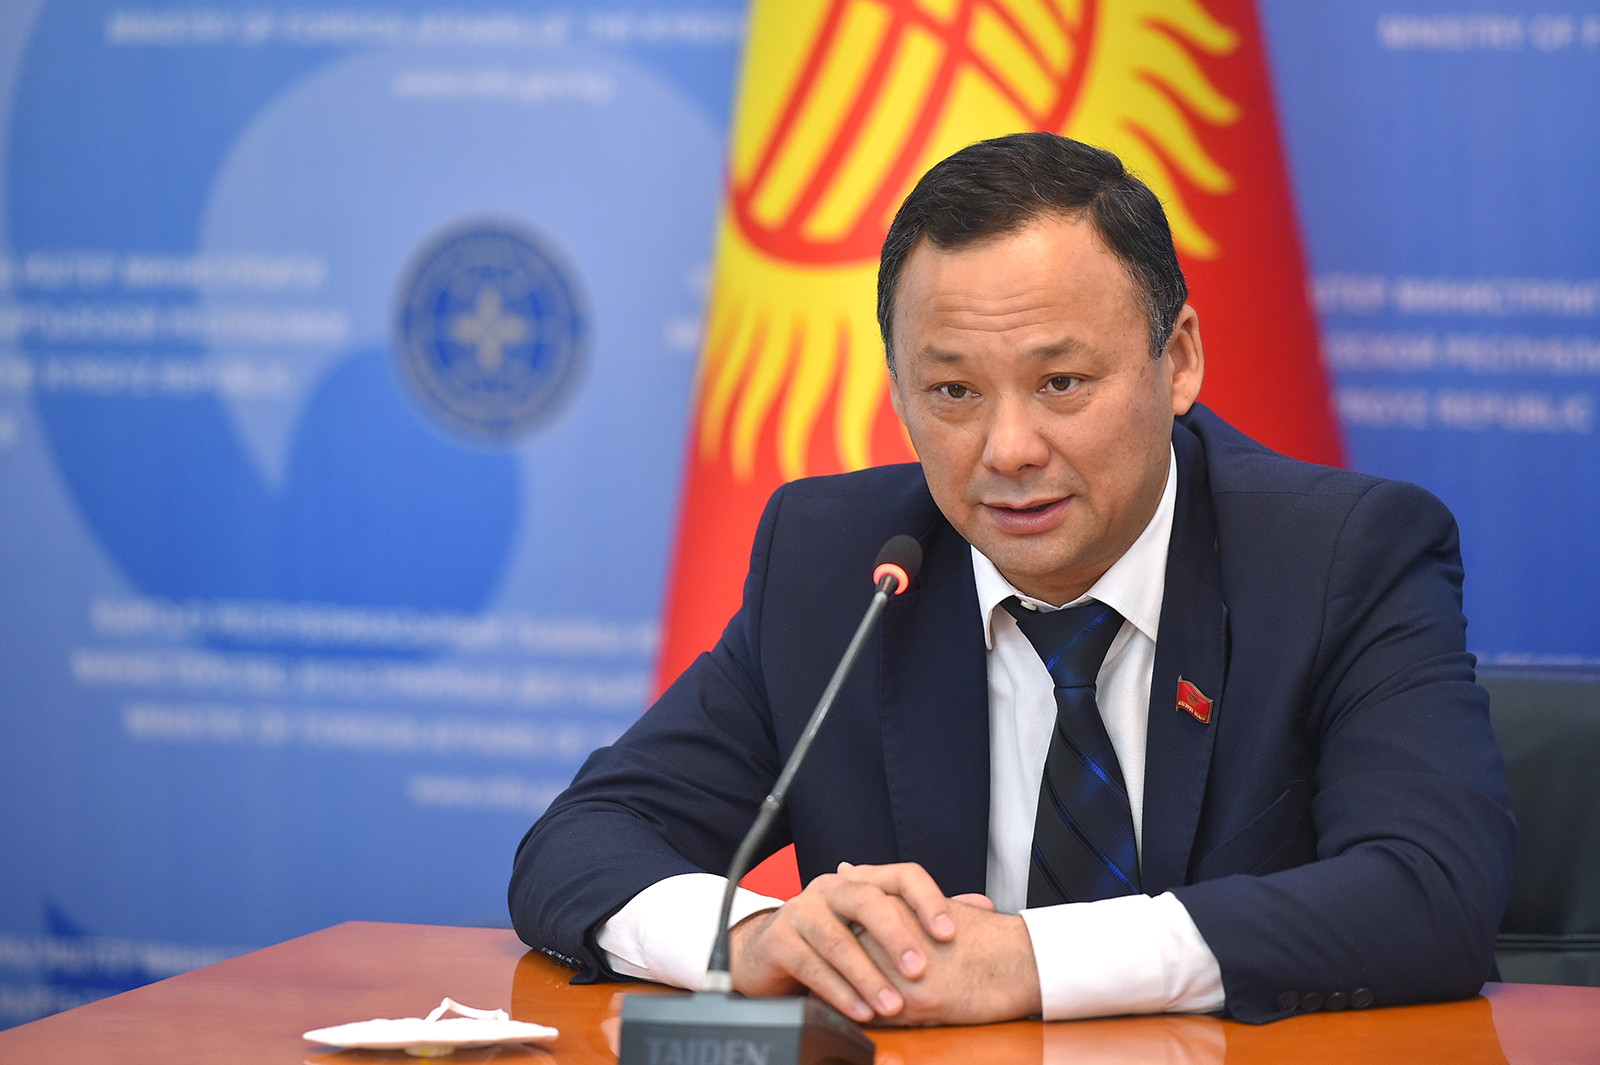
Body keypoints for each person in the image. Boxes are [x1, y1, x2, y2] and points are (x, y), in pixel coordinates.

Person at [509, 132, 1515, 1026]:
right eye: (953, 391)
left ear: (1177, 360)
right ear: (898, 393)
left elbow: (1431, 891)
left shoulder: (1341, 556)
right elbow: (581, 843)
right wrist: (752, 939)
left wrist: (1028, 962)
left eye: (1060, 383)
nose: (1009, 448)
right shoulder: (838, 564)